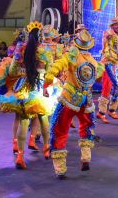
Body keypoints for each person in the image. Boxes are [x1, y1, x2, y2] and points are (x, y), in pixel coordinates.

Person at [44, 25, 104, 179]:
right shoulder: (91, 59)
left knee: (59, 129)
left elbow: (55, 68)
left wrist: (47, 82)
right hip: (87, 100)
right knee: (87, 126)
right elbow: (98, 75)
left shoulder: (71, 56)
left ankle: (60, 168)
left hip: (70, 99)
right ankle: (86, 157)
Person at [0, 22, 52, 169]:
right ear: (40, 36)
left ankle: (20, 155)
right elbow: (48, 73)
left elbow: (12, 71)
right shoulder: (43, 52)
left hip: (21, 91)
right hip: (37, 90)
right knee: (43, 117)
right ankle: (47, 148)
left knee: (23, 121)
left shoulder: (20, 50)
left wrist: (21, 71)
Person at [97, 17, 118, 123]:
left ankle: (112, 110)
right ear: (112, 25)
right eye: (116, 25)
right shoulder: (108, 33)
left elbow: (117, 51)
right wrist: (107, 38)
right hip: (107, 63)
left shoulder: (117, 35)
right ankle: (101, 112)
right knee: (107, 88)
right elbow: (106, 49)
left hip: (115, 63)